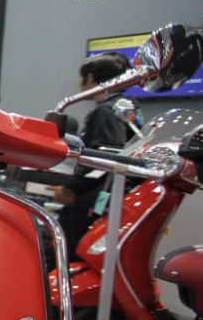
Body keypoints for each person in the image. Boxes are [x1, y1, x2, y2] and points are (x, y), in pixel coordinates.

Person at [52, 52, 137, 259]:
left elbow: (104, 156)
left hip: (92, 201)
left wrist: (71, 189)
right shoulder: (128, 109)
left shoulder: (105, 111)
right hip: (109, 198)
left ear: (90, 77)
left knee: (66, 253)